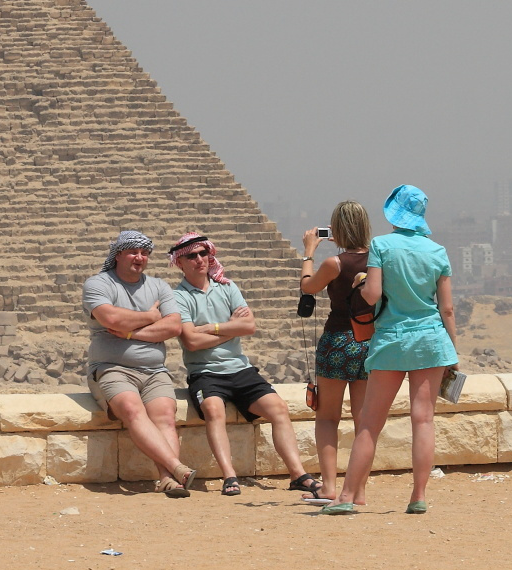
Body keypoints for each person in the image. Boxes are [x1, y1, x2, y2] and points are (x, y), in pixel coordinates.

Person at [324, 185, 457, 515]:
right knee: (423, 420)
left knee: (369, 422)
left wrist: (358, 283)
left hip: (392, 341)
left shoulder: (382, 246)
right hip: (431, 341)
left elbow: (372, 295)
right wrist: (452, 353)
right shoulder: (438, 252)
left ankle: (348, 496)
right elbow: (448, 309)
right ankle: (419, 496)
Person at [168, 233, 321, 498]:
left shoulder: (227, 287)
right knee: (213, 410)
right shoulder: (177, 297)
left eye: (204, 253)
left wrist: (212, 328)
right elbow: (191, 341)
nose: (200, 260)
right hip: (205, 372)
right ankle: (229, 476)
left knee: (278, 409)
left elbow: (249, 325)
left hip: (240, 369)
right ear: (179, 262)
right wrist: (231, 329)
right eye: (191, 256)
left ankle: (298, 475)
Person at [82, 231, 198, 498]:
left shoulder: (159, 286)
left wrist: (131, 332)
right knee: (133, 410)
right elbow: (110, 318)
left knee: (166, 417)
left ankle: (168, 479)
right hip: (112, 367)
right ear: (118, 255)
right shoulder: (98, 284)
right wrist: (149, 316)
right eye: (133, 252)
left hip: (154, 371)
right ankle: (177, 469)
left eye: (144, 253)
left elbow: (173, 326)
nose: (140, 257)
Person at [299, 200, 373, 501]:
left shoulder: (334, 264)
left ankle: (329, 486)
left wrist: (308, 252)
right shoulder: (378, 260)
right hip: (368, 343)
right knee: (363, 421)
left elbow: (308, 287)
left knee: (328, 417)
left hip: (337, 342)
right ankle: (359, 489)